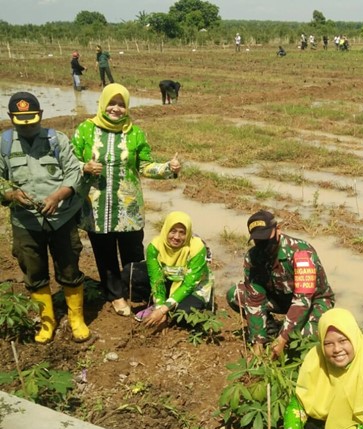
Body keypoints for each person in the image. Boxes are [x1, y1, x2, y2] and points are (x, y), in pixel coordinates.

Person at [72, 84, 181, 317]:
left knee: (133, 252)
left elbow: (145, 165)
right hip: (96, 206)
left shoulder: (135, 133)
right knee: (104, 252)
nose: (116, 109)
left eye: (122, 105)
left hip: (128, 207)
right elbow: (70, 163)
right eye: (112, 103)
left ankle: (137, 289)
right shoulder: (85, 130)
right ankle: (116, 295)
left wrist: (167, 168)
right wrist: (85, 167)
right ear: (103, 103)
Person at [0, 92, 90, 343]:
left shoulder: (56, 140)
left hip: (60, 218)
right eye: (20, 122)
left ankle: (76, 319)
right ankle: (47, 322)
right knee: (34, 270)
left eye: (32, 120)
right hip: (25, 222)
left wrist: (58, 195)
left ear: (39, 116)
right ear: (11, 118)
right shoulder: (4, 144)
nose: (27, 127)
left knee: (69, 266)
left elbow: (74, 172)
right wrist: (10, 193)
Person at [227, 210, 335, 359]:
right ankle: (270, 330)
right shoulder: (253, 257)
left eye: (266, 238)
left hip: (313, 302)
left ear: (278, 230)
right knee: (236, 294)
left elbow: (302, 300)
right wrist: (258, 342)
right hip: (280, 299)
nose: (264, 245)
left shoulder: (301, 252)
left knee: (301, 340)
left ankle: (285, 332)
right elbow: (254, 298)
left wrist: (284, 337)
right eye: (259, 240)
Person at [124, 211, 213, 328]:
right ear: (166, 229)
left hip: (193, 286)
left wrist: (162, 311)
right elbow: (156, 279)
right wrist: (160, 305)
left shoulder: (196, 247)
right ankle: (162, 302)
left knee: (183, 316)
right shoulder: (155, 246)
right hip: (169, 280)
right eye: (173, 231)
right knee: (131, 272)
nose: (176, 237)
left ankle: (200, 303)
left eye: (182, 233)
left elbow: (189, 284)